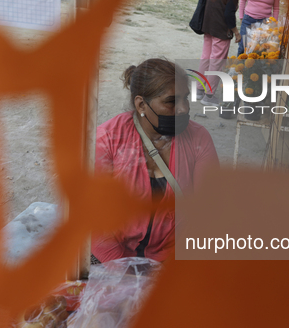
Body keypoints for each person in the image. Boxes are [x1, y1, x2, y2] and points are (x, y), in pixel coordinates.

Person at [91, 59, 219, 263]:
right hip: (113, 256)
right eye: (171, 101)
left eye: (186, 99)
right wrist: (123, 273)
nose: (184, 109)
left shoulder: (199, 139)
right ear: (141, 104)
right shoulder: (108, 139)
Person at [197, 0, 252, 106]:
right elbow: (229, 14)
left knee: (206, 58)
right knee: (217, 62)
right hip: (221, 31)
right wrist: (236, 32)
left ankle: (199, 90)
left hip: (207, 27)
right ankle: (209, 96)